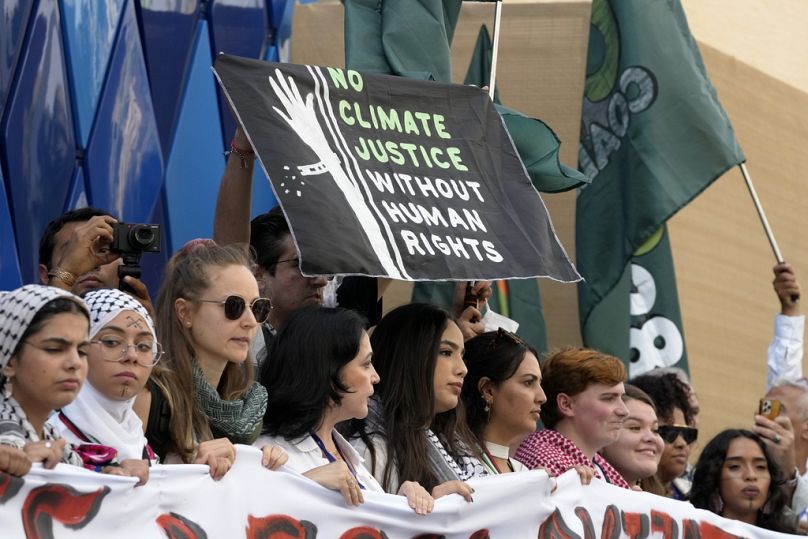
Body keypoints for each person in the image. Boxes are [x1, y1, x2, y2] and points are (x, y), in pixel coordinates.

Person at [255, 307, 433, 513]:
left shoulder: (350, 456)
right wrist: (307, 486)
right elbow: (250, 522)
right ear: (328, 371)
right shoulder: (267, 454)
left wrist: (405, 505)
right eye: (366, 364)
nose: (376, 377)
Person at [140, 243, 286, 478]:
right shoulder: (150, 394)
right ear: (185, 312)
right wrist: (193, 472)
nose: (250, 321)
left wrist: (268, 471)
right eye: (234, 306)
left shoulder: (248, 405)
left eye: (258, 308)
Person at [344, 303, 483, 499]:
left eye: (462, 355)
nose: (463, 369)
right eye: (445, 352)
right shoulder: (370, 453)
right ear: (409, 356)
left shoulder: (455, 445)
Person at [49, 289, 159, 485]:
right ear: (80, 349)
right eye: (112, 342)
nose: (132, 356)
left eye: (143, 346)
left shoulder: (141, 444)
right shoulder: (50, 441)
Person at [0, 285, 88, 468]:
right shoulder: (6, 434)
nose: (75, 363)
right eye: (54, 349)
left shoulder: (51, 435)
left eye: (82, 351)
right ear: (9, 361)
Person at [514, 347, 629, 488]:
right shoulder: (544, 461)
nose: (624, 411)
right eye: (609, 398)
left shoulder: (602, 467)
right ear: (566, 404)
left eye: (621, 398)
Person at [37, 207, 154, 316]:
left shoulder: (144, 327)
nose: (91, 264)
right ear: (45, 275)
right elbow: (46, 333)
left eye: (103, 250)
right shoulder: (26, 328)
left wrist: (149, 329)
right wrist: (64, 276)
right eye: (73, 251)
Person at [461, 329, 545, 474]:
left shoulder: (523, 472)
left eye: (540, 384)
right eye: (528, 382)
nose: (542, 397)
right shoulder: (459, 466)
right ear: (488, 390)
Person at [690, 429, 796, 534]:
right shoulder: (690, 532)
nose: (751, 475)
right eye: (735, 466)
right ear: (714, 477)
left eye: (760, 467)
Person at [630, 372, 697, 499]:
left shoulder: (694, 502)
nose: (682, 443)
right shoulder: (613, 489)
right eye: (670, 433)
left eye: (688, 434)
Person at [600, 385, 665, 492]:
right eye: (635, 427)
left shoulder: (663, 504)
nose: (651, 438)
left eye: (655, 430)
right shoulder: (576, 491)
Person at [766, 262, 803, 389]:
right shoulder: (772, 407)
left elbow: (779, 397)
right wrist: (789, 310)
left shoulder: (771, 407)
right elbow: (780, 394)